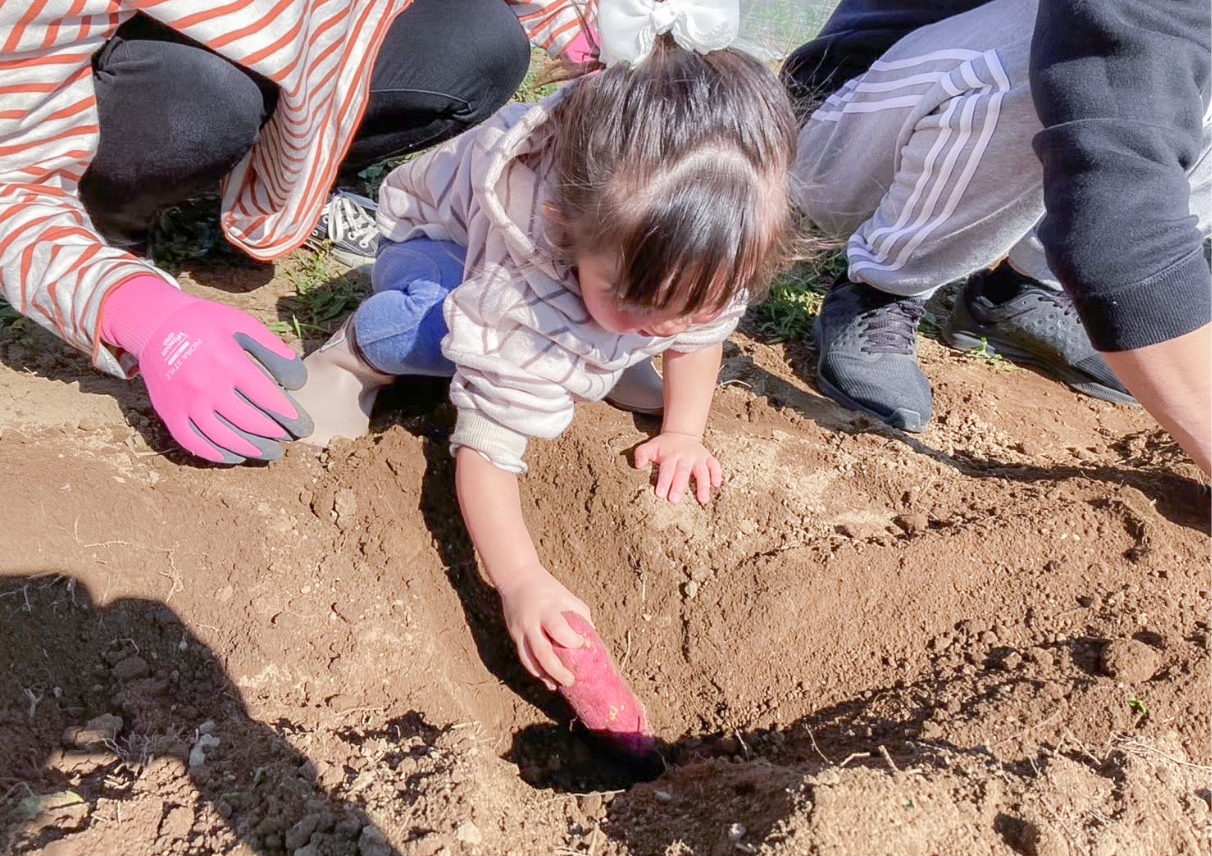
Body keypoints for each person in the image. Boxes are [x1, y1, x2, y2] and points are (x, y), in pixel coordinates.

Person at [294, 0, 800, 690]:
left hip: (600, 261)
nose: (664, 326)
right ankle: (356, 355)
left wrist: (683, 431)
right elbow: (487, 446)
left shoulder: (711, 238)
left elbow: (698, 334)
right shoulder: (526, 269)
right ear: (567, 231)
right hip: (436, 245)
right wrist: (522, 580)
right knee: (436, 331)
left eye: (690, 305)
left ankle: (603, 346)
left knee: (641, 318)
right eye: (633, 300)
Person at [0, 0, 595, 465]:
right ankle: (114, 216)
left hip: (311, 41)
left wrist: (620, 56)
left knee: (482, 41)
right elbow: (10, 183)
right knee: (203, 109)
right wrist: (137, 311)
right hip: (148, 70)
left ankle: (285, 180)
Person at [781, 0, 1211, 474]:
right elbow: (1118, 235)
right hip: (834, 130)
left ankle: (1022, 293)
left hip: (940, 99)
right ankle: (880, 286)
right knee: (1076, 57)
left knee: (1159, 76)